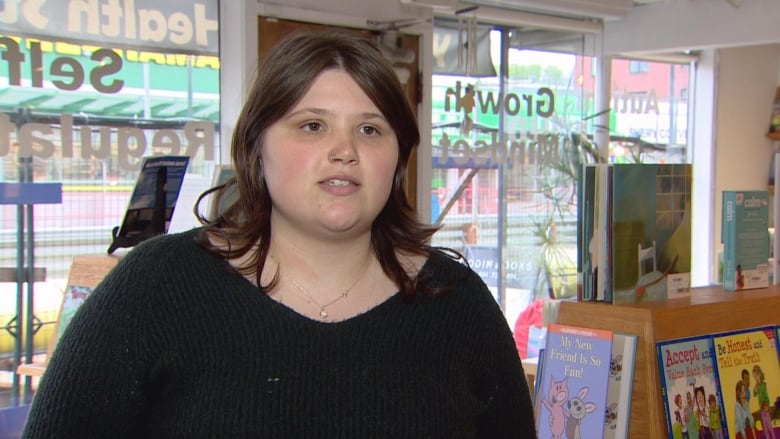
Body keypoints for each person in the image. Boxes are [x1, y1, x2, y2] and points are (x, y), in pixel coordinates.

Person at [22, 30, 536, 438]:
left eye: (370, 129)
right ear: (256, 146)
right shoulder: (154, 289)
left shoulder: (457, 305)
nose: (344, 150)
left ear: (398, 160)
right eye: (312, 125)